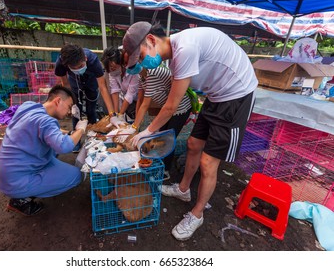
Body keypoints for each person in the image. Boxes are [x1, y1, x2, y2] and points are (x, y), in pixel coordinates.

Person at [123, 21, 257, 240]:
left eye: (141, 56)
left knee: (208, 162)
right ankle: (184, 190)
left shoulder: (185, 48)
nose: (144, 64)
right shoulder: (175, 59)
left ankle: (197, 214)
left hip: (237, 95)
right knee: (193, 144)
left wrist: (146, 132)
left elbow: (171, 106)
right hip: (216, 96)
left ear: (151, 40)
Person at [0, 85, 88, 216]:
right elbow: (64, 146)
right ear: (57, 101)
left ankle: (31, 185)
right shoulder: (46, 121)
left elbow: (43, 130)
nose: (69, 112)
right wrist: (80, 130)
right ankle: (21, 199)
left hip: (8, 172)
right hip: (16, 181)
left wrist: (69, 133)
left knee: (52, 149)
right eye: (69, 106)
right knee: (77, 176)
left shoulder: (28, 106)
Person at [131, 65, 191, 178]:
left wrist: (136, 128)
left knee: (168, 138)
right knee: (161, 136)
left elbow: (145, 105)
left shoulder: (152, 73)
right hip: (167, 109)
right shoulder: (141, 77)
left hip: (180, 108)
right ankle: (161, 165)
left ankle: (165, 171)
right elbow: (140, 100)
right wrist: (134, 125)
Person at [55, 44, 125, 130]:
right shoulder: (61, 62)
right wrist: (71, 103)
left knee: (91, 108)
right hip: (74, 82)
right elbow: (65, 84)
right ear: (67, 65)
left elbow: (102, 87)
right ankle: (76, 136)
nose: (78, 69)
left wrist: (112, 114)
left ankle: (93, 132)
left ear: (85, 58)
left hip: (91, 81)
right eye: (74, 68)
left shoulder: (93, 60)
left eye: (80, 66)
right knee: (76, 112)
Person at [101, 46, 140, 123]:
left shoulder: (133, 69)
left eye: (113, 67)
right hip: (126, 98)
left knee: (137, 121)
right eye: (109, 69)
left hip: (138, 98)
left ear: (121, 63)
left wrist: (121, 114)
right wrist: (116, 114)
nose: (111, 71)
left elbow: (130, 94)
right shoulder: (112, 72)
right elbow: (115, 90)